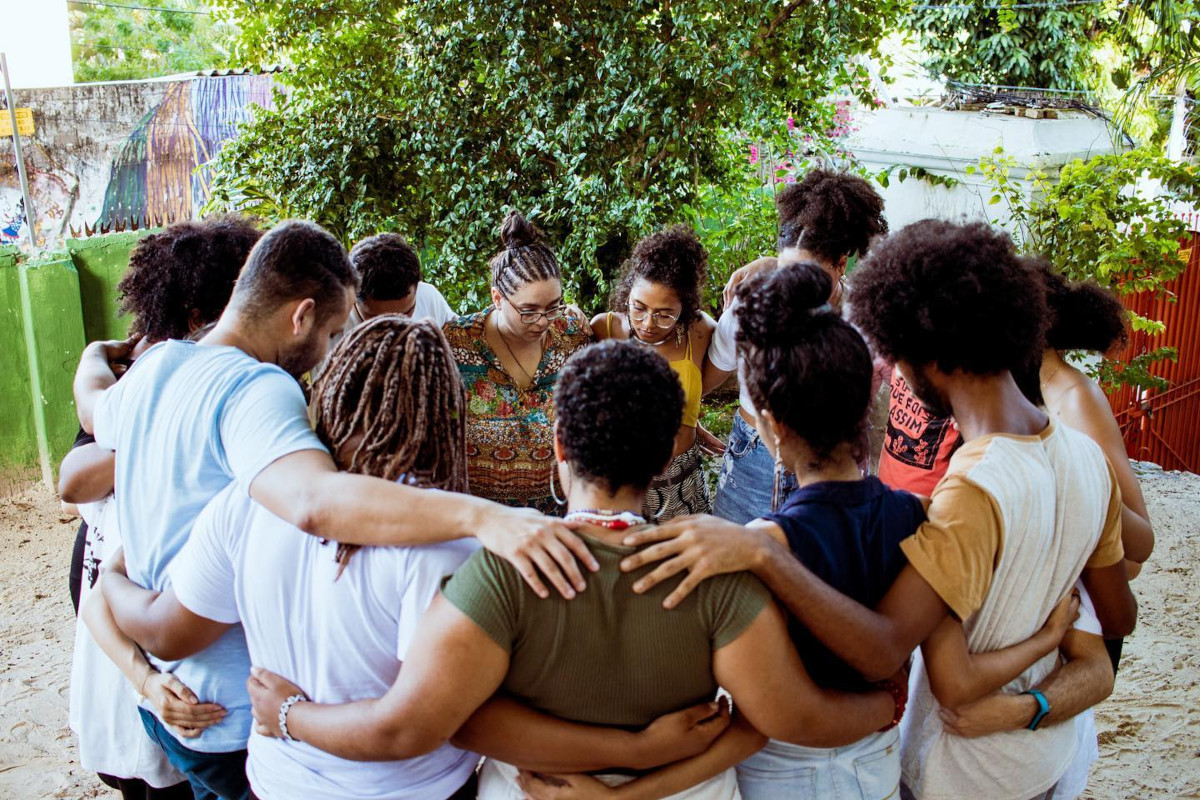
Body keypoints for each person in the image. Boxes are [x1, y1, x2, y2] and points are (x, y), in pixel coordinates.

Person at [72, 219, 595, 799]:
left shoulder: (165, 376)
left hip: (207, 717)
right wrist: (482, 515)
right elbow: (314, 503)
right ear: (300, 317)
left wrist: (112, 581)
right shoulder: (259, 392)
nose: (325, 352)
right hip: (250, 719)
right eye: (333, 331)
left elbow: (95, 417)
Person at [243, 340, 900, 800]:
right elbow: (785, 718)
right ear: (669, 447)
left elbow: (438, 721)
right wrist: (879, 707)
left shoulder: (498, 574)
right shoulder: (717, 578)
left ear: (559, 447)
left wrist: (291, 714)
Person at [620, 220, 1137, 800]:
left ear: (924, 354)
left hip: (957, 774)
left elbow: (887, 648)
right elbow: (1117, 620)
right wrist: (1045, 655)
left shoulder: (968, 492)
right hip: (1045, 763)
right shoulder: (1086, 458)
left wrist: (766, 552)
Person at [98, 316, 483, 799]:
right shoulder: (448, 546)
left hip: (276, 783)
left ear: (329, 393)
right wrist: (288, 715)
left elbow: (167, 633)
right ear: (447, 412)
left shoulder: (249, 501)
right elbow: (410, 729)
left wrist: (111, 581)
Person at [60, 215, 263, 800]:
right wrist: (176, 441)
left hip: (140, 596)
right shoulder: (154, 373)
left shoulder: (146, 379)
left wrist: (93, 360)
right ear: (203, 315)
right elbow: (75, 477)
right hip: (140, 607)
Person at [704, 168, 888, 523]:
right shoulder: (749, 305)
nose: (794, 285)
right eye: (786, 270)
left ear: (839, 265)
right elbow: (704, 382)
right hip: (752, 459)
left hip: (831, 470)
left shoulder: (862, 320)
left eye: (809, 274)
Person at [442, 211, 594, 514]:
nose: (542, 321)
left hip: (557, 515)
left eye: (553, 307)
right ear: (497, 299)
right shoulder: (456, 343)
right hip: (482, 521)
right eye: (528, 310)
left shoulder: (572, 335)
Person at [592, 225, 717, 520]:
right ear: (627, 295)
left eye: (665, 315)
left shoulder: (699, 331)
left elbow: (699, 385)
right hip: (620, 479)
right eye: (638, 308)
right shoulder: (604, 329)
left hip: (679, 479)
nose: (648, 323)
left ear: (684, 309)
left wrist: (688, 418)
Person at [346, 233, 457, 325]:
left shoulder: (428, 296)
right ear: (352, 297)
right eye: (377, 320)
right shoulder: (333, 330)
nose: (393, 328)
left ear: (417, 288)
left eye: (404, 315)